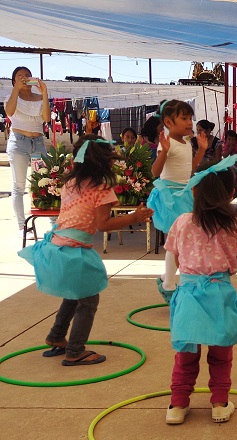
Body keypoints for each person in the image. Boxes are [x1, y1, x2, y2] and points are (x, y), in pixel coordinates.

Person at [18, 135, 154, 364]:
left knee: (74, 294)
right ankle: (75, 351)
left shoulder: (71, 182)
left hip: (57, 246)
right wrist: (135, 216)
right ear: (102, 162)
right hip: (74, 251)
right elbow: (104, 225)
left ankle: (56, 337)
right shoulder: (102, 187)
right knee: (88, 300)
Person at [164, 160, 237, 425]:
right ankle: (219, 403)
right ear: (230, 193)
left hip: (189, 296)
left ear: (193, 191)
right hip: (219, 296)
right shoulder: (235, 225)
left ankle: (177, 406)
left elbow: (176, 260)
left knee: (186, 354)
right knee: (221, 353)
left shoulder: (182, 222)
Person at [148, 100, 209, 301]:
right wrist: (164, 151)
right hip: (171, 197)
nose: (189, 122)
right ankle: (168, 282)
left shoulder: (186, 142)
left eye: (190, 118)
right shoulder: (167, 141)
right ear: (168, 121)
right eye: (184, 118)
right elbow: (155, 172)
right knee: (176, 240)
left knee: (184, 240)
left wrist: (201, 149)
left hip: (185, 194)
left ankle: (168, 277)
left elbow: (189, 169)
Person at [6, 66, 51, 237]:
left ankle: (49, 222)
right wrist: (16, 89)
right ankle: (21, 227)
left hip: (38, 143)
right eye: (20, 76)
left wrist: (45, 92)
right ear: (14, 81)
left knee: (43, 183)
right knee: (18, 186)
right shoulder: (11, 97)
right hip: (19, 143)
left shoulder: (40, 97)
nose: (24, 78)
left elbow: (46, 118)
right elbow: (9, 112)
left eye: (27, 75)